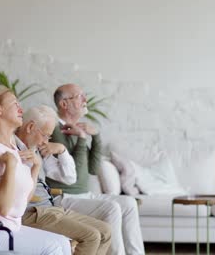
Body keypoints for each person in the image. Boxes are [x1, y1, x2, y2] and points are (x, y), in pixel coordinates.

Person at [0, 87, 71, 255]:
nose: (21, 109)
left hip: (8, 226)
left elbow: (23, 201)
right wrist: (11, 166)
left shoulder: (12, 148)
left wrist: (36, 167)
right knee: (52, 248)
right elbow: (2, 208)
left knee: (63, 243)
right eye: (15, 104)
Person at [48, 83, 145, 255]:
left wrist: (96, 136)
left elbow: (92, 169)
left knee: (129, 203)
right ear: (64, 104)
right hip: (64, 196)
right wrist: (82, 138)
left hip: (83, 195)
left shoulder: (77, 130)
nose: (85, 100)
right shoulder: (54, 130)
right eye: (79, 96)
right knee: (112, 208)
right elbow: (74, 175)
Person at [16, 105, 112, 255]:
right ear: (30, 127)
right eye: (46, 135)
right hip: (34, 212)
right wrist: (36, 166)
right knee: (91, 237)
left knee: (106, 231)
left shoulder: (36, 148)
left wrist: (62, 149)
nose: (46, 141)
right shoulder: (15, 150)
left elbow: (69, 178)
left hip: (51, 208)